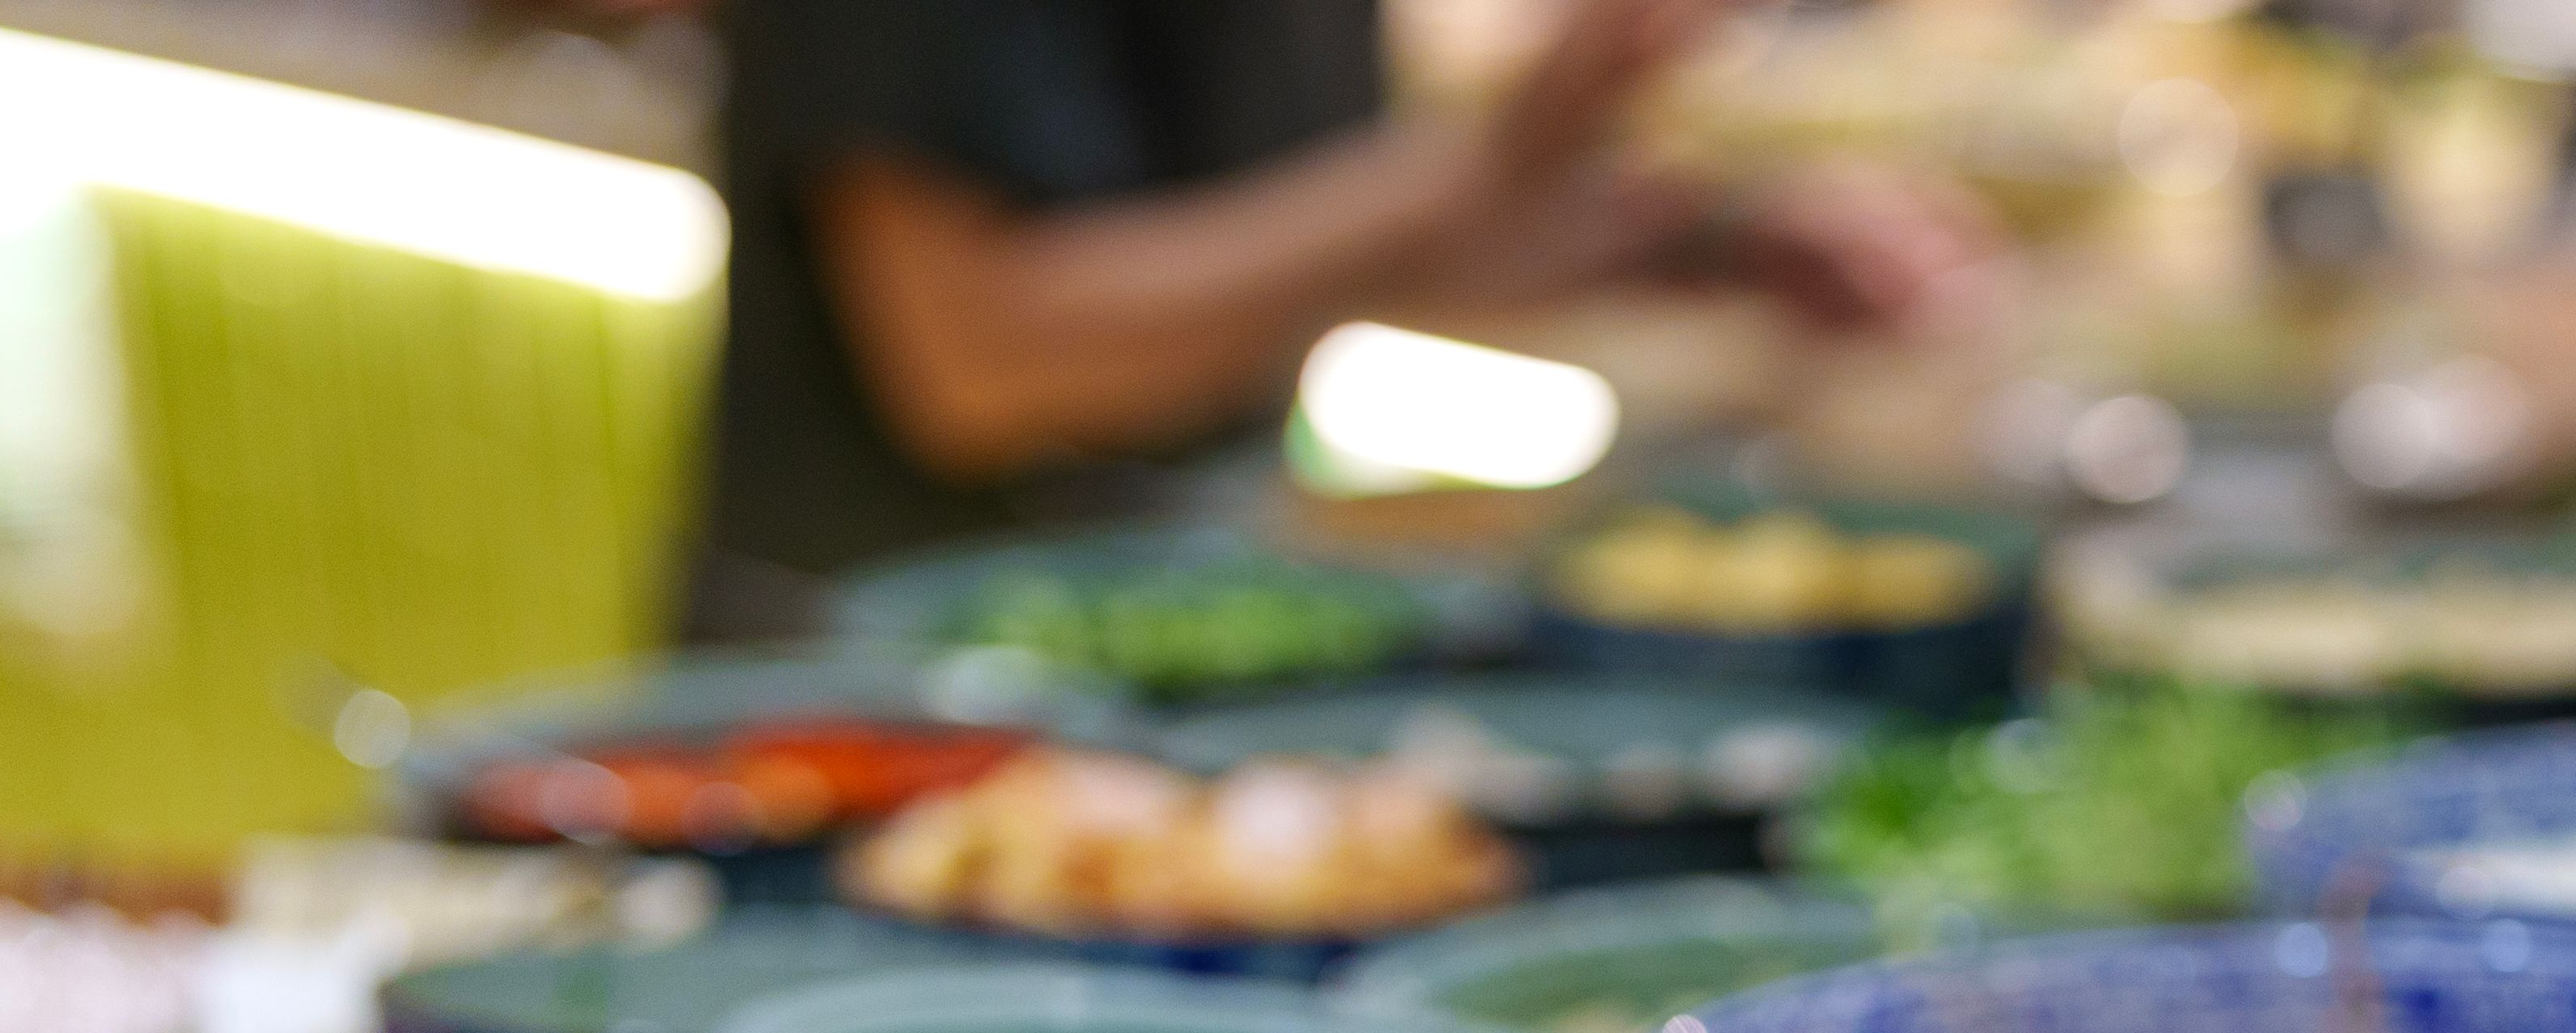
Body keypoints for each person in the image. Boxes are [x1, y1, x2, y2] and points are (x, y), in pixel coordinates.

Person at [700, 0, 1981, 621]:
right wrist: (1475, 166)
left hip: (1199, 607)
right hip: (878, 658)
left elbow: (1299, 268)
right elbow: (981, 369)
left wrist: (1686, 241)